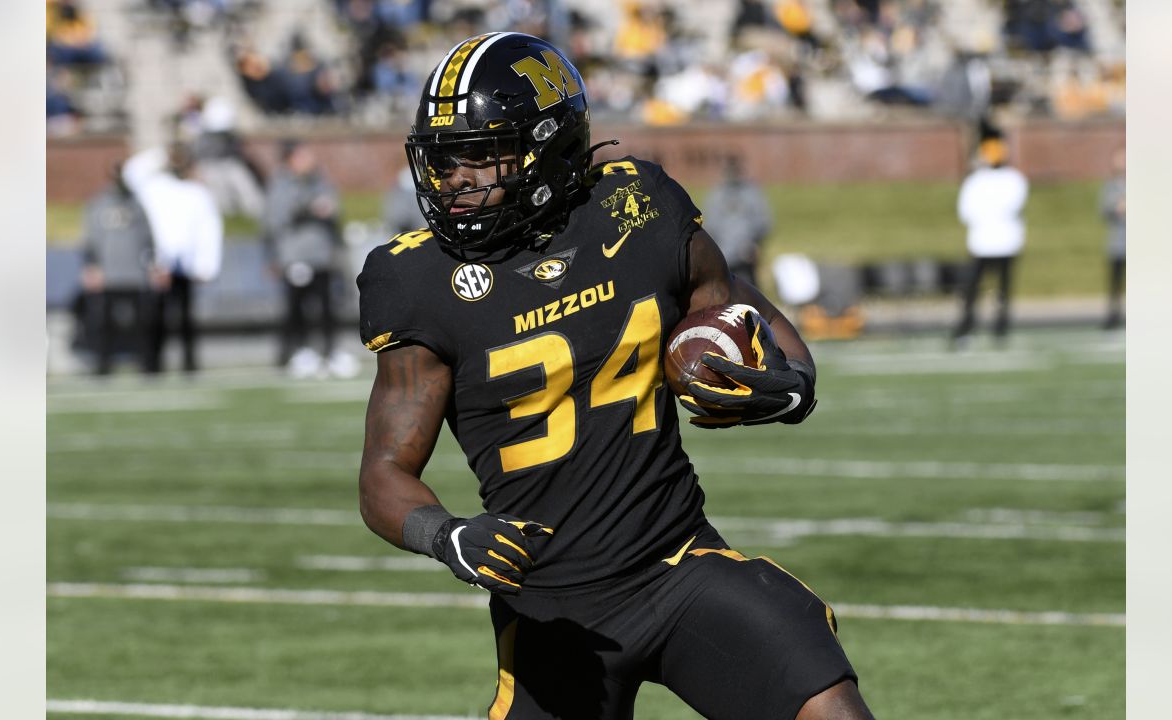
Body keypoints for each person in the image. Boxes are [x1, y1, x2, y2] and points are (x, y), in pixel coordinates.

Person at [356, 33, 871, 719]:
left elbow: (727, 293)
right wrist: (444, 533)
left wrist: (794, 379)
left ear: (548, 145)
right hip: (551, 612)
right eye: (446, 162)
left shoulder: (636, 207)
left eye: (481, 157)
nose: (456, 181)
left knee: (830, 708)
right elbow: (383, 475)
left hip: (679, 563)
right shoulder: (417, 278)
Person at [123, 144, 223, 373]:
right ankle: (152, 366)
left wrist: (205, 265)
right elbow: (131, 171)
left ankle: (190, 366)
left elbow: (208, 230)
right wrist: (162, 152)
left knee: (186, 318)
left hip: (185, 264)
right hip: (157, 263)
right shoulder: (154, 187)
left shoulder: (197, 192)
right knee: (154, 317)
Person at [263, 140, 354, 378]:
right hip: (295, 256)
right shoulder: (280, 184)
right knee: (296, 308)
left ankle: (329, 352)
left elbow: (335, 209)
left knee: (327, 307)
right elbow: (275, 218)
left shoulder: (321, 181)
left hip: (321, 255)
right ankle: (297, 352)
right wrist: (308, 208)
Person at [79, 164, 160, 375]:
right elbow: (90, 240)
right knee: (103, 324)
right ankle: (102, 366)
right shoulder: (98, 203)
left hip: (135, 274)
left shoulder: (136, 203)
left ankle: (148, 365)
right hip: (108, 275)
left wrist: (151, 266)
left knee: (143, 323)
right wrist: (91, 267)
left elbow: (148, 238)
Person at [951, 134, 1028, 347]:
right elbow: (966, 211)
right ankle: (970, 328)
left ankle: (998, 329)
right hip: (984, 242)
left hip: (1002, 242)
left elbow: (1010, 206)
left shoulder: (1011, 179)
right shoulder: (978, 180)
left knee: (998, 290)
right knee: (977, 289)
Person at [702, 155, 773, 286]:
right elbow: (710, 225)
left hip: (745, 256)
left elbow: (763, 222)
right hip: (723, 257)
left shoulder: (751, 192)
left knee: (749, 295)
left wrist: (755, 244)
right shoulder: (717, 194)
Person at [1099, 145, 1125, 329]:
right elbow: (1103, 209)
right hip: (1118, 241)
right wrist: (1118, 207)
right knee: (1115, 282)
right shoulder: (1111, 185)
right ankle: (1113, 315)